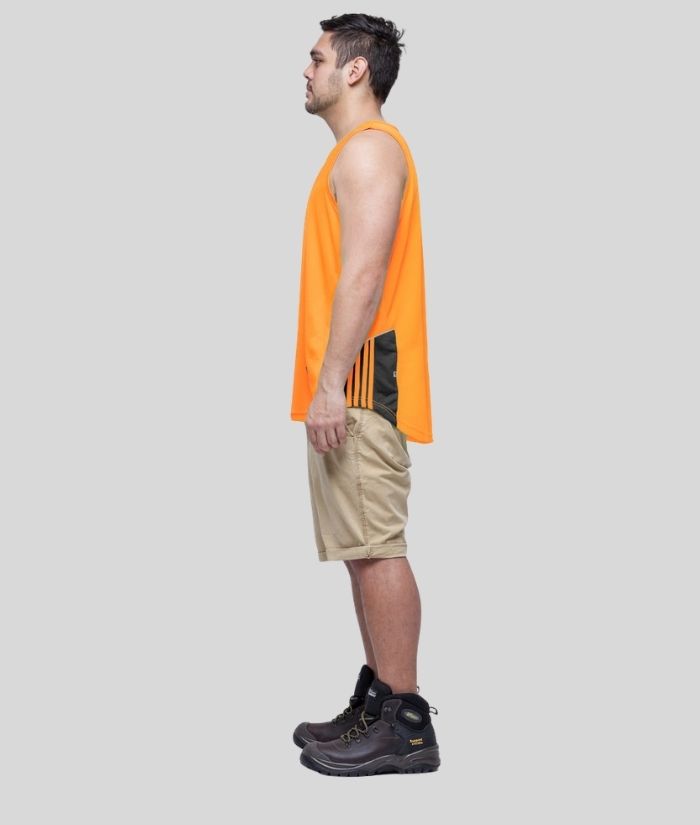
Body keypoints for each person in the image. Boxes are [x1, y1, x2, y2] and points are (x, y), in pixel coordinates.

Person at [289, 13, 440, 776]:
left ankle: (406, 723)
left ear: (354, 70)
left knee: (378, 548)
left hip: (359, 384)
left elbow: (365, 274)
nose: (305, 69)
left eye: (317, 58)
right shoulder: (354, 153)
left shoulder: (372, 150)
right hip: (346, 384)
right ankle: (380, 700)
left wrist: (328, 386)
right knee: (360, 551)